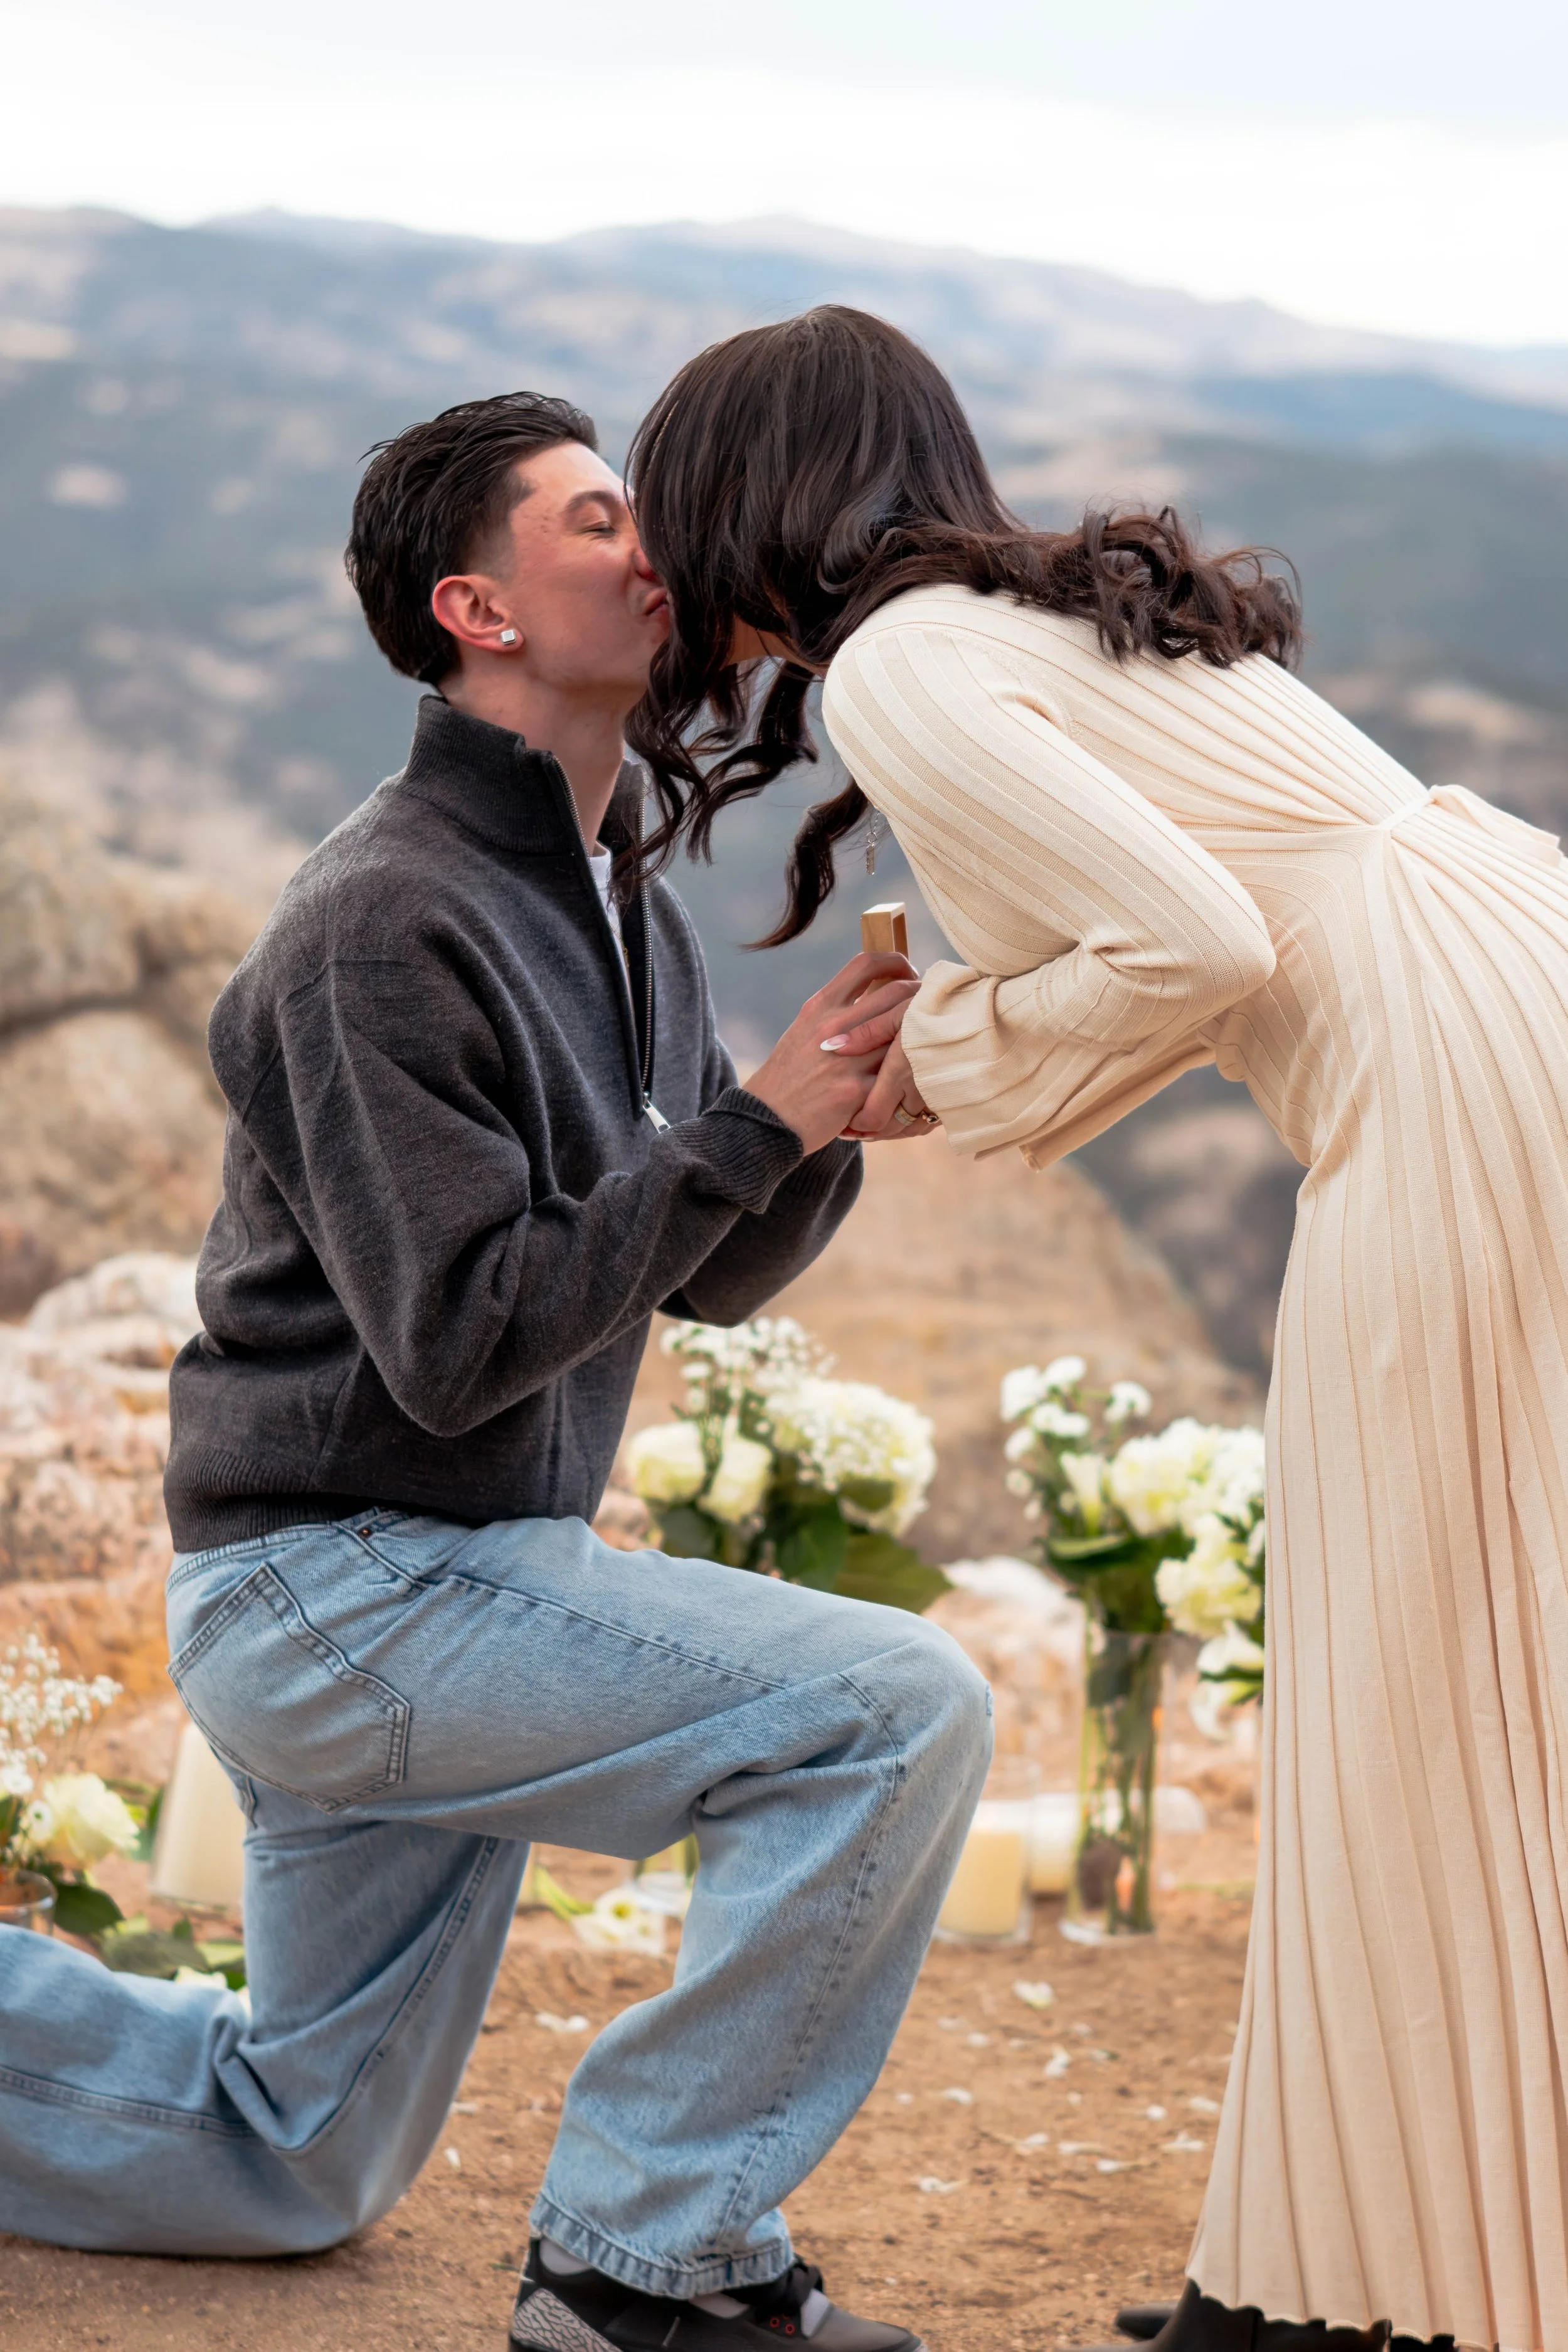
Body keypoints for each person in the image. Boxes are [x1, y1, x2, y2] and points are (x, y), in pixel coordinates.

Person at [0, 389, 992, 2352]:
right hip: (346, 1585)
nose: (657, 551)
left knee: (292, 2153)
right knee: (895, 1709)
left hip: (453, 1580)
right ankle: (644, 2261)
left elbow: (693, 1268)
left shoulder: (621, 897)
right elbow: (458, 1338)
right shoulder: (381, 918)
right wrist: (750, 1129)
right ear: (478, 608)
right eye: (599, 520)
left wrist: (826, 1125)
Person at [623, 304, 1568, 2352]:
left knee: (1403, 1667)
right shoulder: (1038, 616)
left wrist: (937, 1053)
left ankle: (1363, 2298)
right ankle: (1325, 2272)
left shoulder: (897, 664)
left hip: (1444, 1083)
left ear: (740, 508)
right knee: (1488, 1660)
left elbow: (1197, 944)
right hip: (1517, 986)